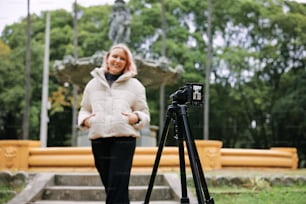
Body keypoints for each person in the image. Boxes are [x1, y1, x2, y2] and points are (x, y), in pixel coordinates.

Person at [78, 43, 150, 204]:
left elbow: (145, 113)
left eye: (122, 58)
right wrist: (86, 120)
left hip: (124, 140)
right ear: (107, 58)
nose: (117, 61)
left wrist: (135, 118)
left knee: (117, 185)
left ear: (127, 62)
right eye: (114, 56)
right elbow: (84, 109)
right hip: (98, 140)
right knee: (111, 186)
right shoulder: (92, 84)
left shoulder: (136, 86)